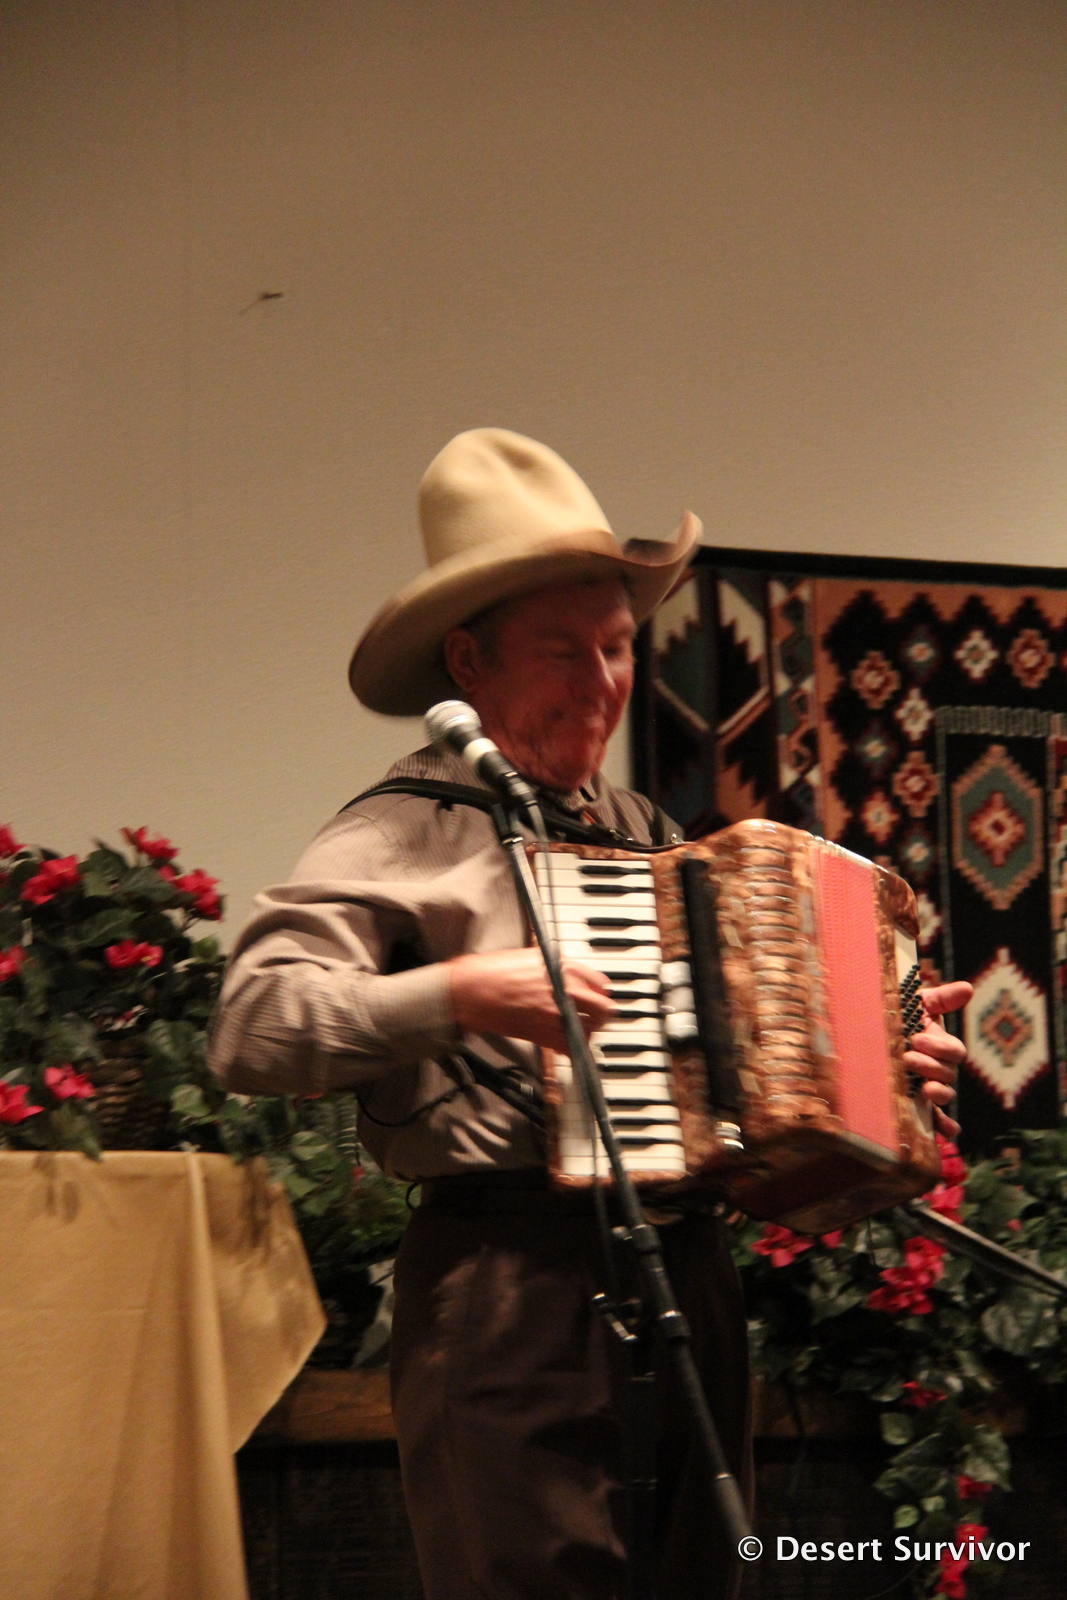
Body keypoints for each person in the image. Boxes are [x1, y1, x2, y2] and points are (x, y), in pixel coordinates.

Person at [210, 428, 969, 1600]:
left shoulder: (647, 834)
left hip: (683, 1277)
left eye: (616, 647)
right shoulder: (401, 826)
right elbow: (253, 1026)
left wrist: (878, 1066)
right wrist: (462, 992)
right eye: (562, 650)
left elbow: (731, 1094)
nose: (603, 682)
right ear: (468, 660)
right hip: (505, 1282)